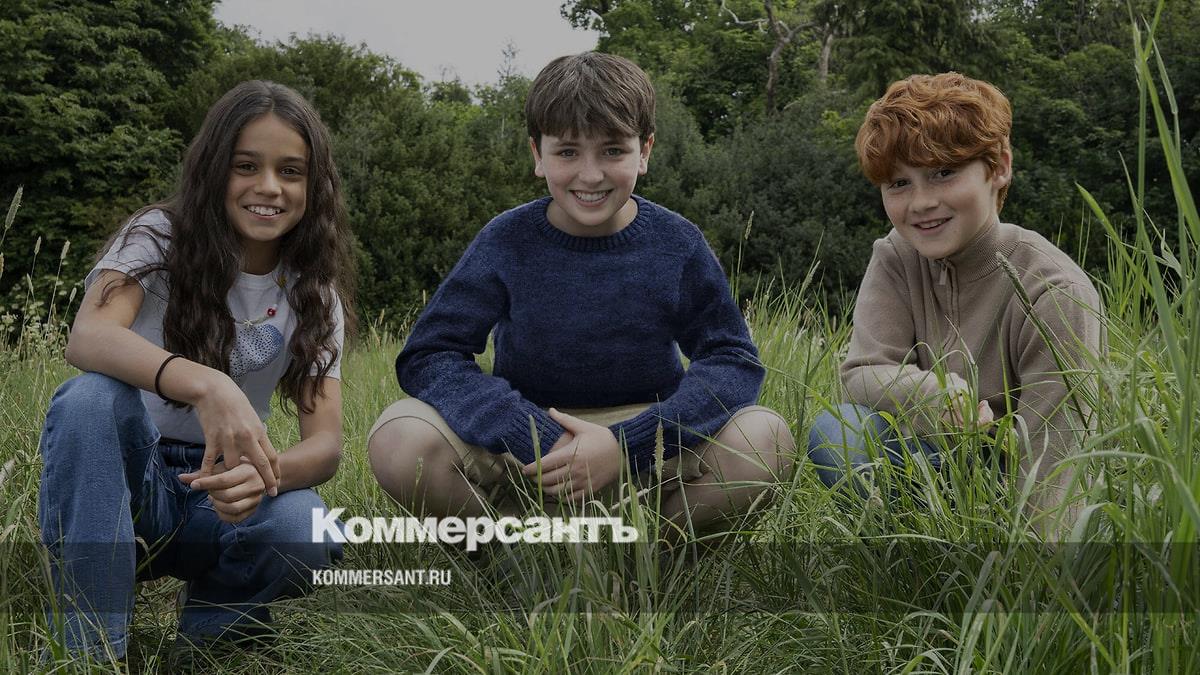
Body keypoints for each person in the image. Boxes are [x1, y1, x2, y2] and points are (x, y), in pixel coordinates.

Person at [368, 52, 794, 543]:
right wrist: (525, 430)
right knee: (399, 438)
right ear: (537, 154)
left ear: (645, 151)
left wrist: (627, 445)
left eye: (612, 150)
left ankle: (649, 557)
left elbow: (731, 359)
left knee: (766, 439)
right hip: (527, 455)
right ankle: (514, 556)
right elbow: (430, 354)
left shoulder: (677, 243)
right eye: (568, 152)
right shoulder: (506, 240)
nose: (590, 175)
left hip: (647, 452)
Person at [38, 80, 353, 661]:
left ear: (315, 185)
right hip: (127, 479)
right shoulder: (157, 235)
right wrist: (209, 384)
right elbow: (88, 336)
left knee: (306, 526)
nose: (269, 187)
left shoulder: (315, 292)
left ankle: (208, 642)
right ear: (213, 169)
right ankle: (91, 654)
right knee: (89, 399)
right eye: (245, 166)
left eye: (291, 171)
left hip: (223, 491)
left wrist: (265, 475)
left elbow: (326, 445)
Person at [807, 72, 1102, 532]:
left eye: (943, 173)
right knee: (837, 430)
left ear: (999, 167)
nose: (921, 203)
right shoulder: (896, 256)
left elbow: (1057, 455)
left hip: (1014, 476)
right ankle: (909, 555)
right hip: (927, 457)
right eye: (899, 183)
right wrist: (934, 396)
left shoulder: (1055, 290)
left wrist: (1037, 560)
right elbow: (862, 373)